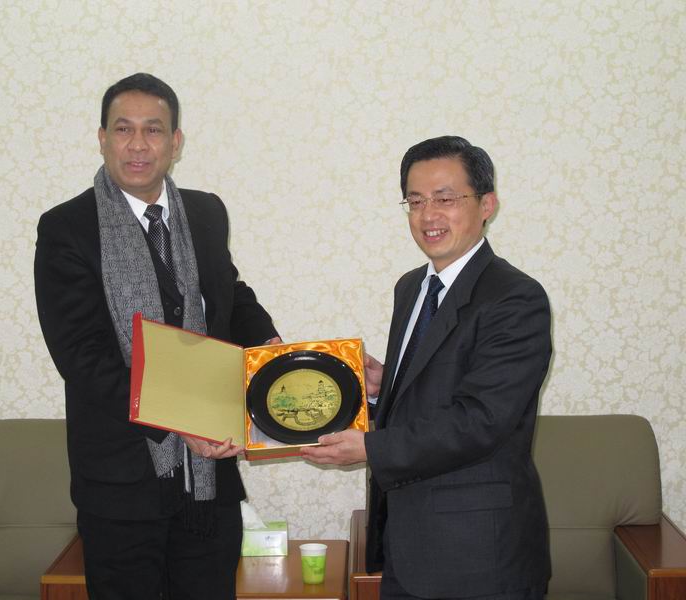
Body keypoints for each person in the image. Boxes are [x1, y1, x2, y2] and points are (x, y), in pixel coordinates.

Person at [34, 73, 279, 600]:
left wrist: (271, 352)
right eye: (124, 129)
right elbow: (82, 357)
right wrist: (178, 418)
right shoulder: (67, 228)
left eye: (153, 129)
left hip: (209, 477)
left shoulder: (206, 212)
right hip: (121, 486)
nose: (138, 144)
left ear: (175, 142)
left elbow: (230, 295)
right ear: (102, 138)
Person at [302, 136, 551, 599]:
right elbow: (433, 387)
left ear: (487, 205)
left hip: (480, 556)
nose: (428, 215)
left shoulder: (515, 298)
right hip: (406, 545)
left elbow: (481, 420)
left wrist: (370, 448)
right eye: (415, 201)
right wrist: (384, 387)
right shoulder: (411, 287)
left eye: (445, 199)